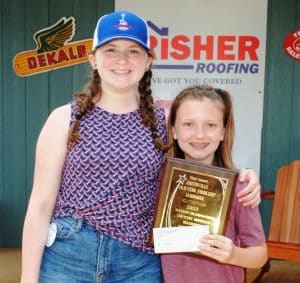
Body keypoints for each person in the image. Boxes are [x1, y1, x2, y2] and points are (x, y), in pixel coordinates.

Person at [21, 11, 261, 283]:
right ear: (93, 59)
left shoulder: (167, 119)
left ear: (148, 61)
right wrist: (27, 278)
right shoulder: (64, 119)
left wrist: (244, 176)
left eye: (133, 51)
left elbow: (203, 147)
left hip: (138, 262)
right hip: (69, 256)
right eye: (111, 49)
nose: (122, 60)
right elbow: (40, 206)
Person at [161, 85, 267, 283]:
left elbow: (260, 255)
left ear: (222, 132)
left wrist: (233, 254)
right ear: (173, 130)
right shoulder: (158, 183)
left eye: (211, 125)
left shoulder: (240, 187)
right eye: (188, 124)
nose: (200, 135)